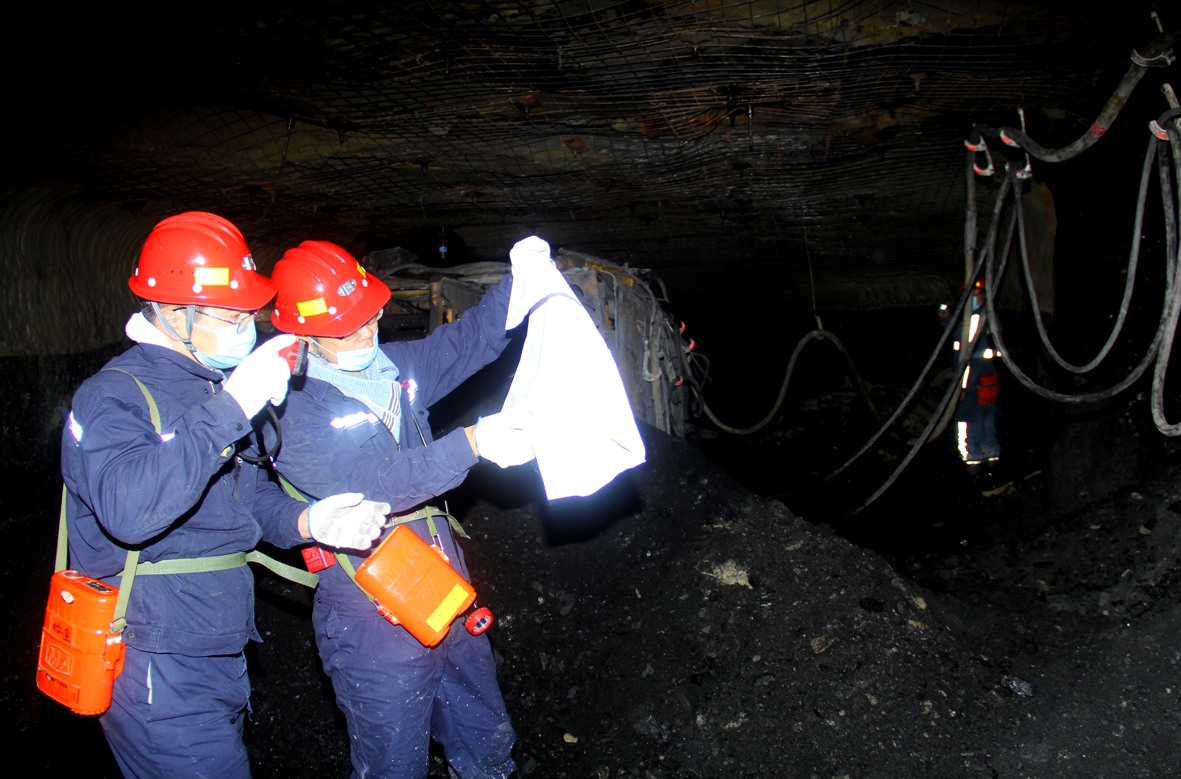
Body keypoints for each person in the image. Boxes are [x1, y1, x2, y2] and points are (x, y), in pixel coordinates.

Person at [60, 211, 392, 778]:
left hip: (216, 641)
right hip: (149, 652)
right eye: (229, 314)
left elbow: (246, 502)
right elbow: (129, 512)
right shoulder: (113, 398)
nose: (247, 325)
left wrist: (310, 521)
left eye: (248, 313)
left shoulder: (211, 386)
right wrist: (231, 409)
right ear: (171, 312)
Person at [264, 239, 535, 779]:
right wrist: (473, 444)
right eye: (348, 327)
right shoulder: (290, 412)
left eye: (369, 315)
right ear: (304, 335)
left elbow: (468, 343)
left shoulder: (395, 368)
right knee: (395, 764)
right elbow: (380, 484)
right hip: (371, 610)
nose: (367, 332)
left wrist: (521, 282)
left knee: (485, 738)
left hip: (442, 585)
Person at [940, 277, 1009, 496]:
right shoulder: (979, 319)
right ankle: (990, 462)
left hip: (972, 384)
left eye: (975, 296)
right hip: (986, 383)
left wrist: (961, 389)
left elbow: (967, 354)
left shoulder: (976, 321)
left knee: (968, 424)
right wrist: (945, 313)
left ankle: (973, 466)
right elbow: (957, 331)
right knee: (986, 422)